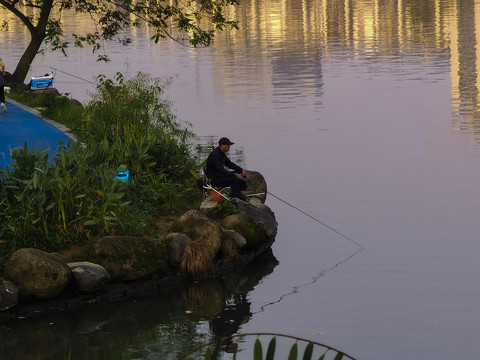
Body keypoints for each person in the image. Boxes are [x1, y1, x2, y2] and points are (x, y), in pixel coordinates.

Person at [205, 137, 248, 202]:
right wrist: (234, 174)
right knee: (233, 179)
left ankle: (238, 193)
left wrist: (241, 170)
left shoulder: (222, 153)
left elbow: (229, 164)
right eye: (228, 145)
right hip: (213, 179)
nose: (229, 147)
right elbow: (221, 170)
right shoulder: (215, 155)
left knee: (239, 173)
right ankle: (234, 198)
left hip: (220, 176)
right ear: (222, 146)